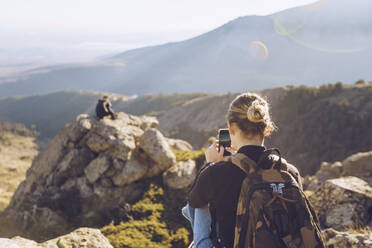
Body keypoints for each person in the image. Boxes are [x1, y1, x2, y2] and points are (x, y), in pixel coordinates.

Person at [186, 92, 303, 248]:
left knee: (199, 207)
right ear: (267, 129)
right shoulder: (289, 171)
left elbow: (193, 202)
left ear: (231, 128)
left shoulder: (217, 172)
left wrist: (210, 164)